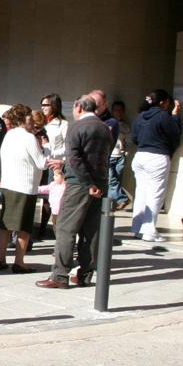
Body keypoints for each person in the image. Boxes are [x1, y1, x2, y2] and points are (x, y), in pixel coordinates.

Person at [37, 95, 114, 289]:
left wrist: (87, 182)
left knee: (65, 228)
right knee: (91, 231)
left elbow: (75, 159)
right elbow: (99, 157)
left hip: (80, 184)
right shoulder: (105, 128)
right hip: (100, 184)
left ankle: (59, 276)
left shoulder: (76, 127)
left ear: (79, 107)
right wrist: (96, 184)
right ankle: (85, 275)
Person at [0, 104, 47, 273]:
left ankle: (1, 258)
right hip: (24, 186)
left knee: (6, 225)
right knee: (24, 226)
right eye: (30, 118)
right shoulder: (29, 138)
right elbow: (42, 163)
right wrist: (46, 148)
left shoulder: (9, 135)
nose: (32, 121)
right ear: (24, 118)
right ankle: (19, 261)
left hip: (8, 183)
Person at [130, 90, 182, 242]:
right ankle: (149, 231)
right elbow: (175, 135)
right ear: (162, 102)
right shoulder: (163, 116)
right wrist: (175, 116)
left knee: (141, 193)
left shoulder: (140, 116)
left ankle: (138, 228)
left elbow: (134, 137)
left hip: (140, 156)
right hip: (157, 157)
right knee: (155, 194)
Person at [38, 94, 67, 237]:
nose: (43, 108)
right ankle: (41, 228)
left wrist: (49, 147)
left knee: (52, 199)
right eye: (42, 105)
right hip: (40, 163)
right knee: (40, 196)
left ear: (54, 106)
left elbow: (68, 148)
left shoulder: (63, 124)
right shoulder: (40, 122)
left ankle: (53, 230)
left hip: (55, 166)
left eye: (46, 105)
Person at [108, 100, 133, 210]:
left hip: (120, 156)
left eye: (120, 110)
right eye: (115, 110)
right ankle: (123, 199)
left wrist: (126, 151)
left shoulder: (125, 126)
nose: (117, 112)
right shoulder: (108, 123)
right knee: (112, 180)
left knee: (116, 180)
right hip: (109, 155)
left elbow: (129, 141)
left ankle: (111, 203)